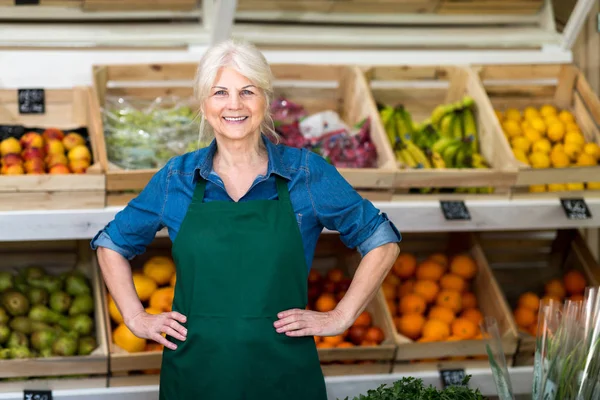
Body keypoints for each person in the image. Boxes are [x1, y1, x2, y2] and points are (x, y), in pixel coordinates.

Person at [91, 39, 401, 400]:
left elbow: (381, 238)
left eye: (247, 91)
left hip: (284, 376)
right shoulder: (177, 178)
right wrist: (135, 317)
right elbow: (111, 244)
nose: (233, 105)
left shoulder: (305, 173)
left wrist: (341, 316)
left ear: (265, 101)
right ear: (205, 105)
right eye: (220, 92)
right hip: (195, 376)